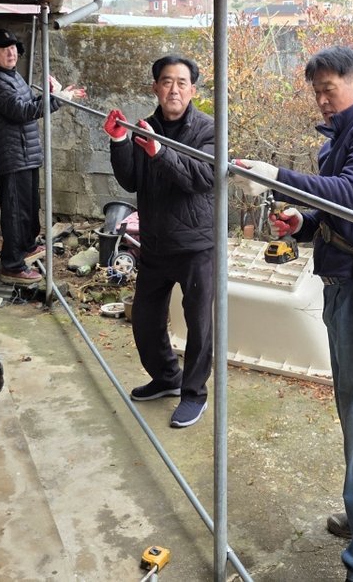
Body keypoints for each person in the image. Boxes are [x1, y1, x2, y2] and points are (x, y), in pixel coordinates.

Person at [233, 45, 353, 582]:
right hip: (351, 285)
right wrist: (305, 222)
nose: (322, 100)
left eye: (329, 89)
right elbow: (346, 211)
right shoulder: (344, 134)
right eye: (316, 92)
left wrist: (276, 176)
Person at [104, 55, 216, 429]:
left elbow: (203, 178)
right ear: (155, 87)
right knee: (145, 319)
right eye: (167, 82)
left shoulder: (209, 130)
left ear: (193, 90)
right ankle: (168, 377)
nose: (174, 90)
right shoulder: (145, 128)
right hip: (154, 242)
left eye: (182, 83)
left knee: (199, 324)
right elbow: (131, 180)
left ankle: (194, 394)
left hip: (196, 245)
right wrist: (119, 141)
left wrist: (161, 152)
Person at [0, 27, 71, 285]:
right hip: (12, 155)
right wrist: (57, 100)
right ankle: (12, 265)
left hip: (26, 152)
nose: (11, 52)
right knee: (16, 211)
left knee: (28, 206)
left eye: (14, 47)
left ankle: (26, 247)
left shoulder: (11, 76)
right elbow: (22, 111)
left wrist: (50, 95)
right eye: (4, 49)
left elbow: (28, 103)